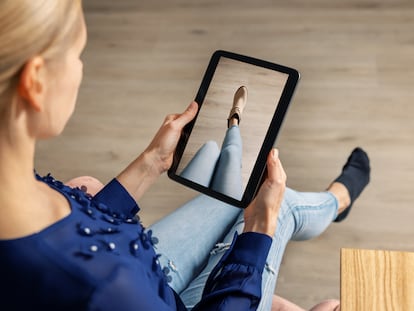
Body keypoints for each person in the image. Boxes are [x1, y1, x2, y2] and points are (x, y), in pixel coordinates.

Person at [0, 1, 370, 310]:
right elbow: (92, 270)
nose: (80, 68)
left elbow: (76, 235)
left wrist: (151, 163)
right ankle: (335, 200)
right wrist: (260, 230)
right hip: (147, 290)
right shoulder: (103, 288)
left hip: (137, 272)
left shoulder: (16, 188)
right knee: (275, 203)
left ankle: (242, 132)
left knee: (218, 161)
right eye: (78, 54)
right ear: (35, 81)